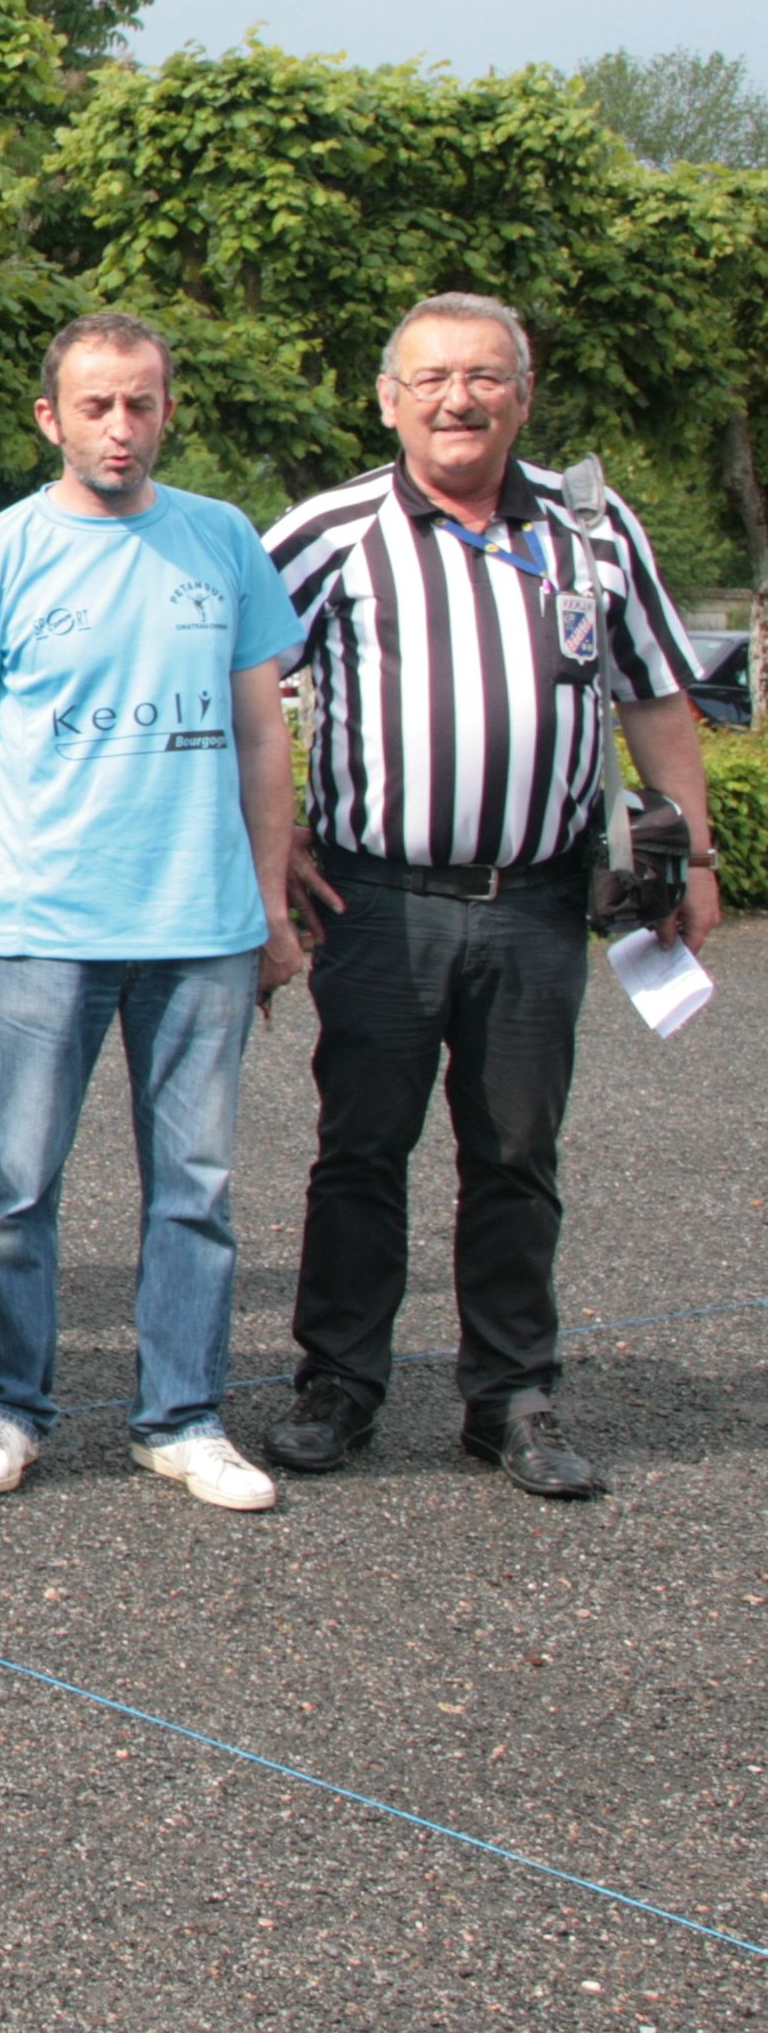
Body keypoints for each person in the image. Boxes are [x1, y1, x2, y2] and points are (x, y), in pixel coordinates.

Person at [260, 292, 722, 1499]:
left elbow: (656, 695)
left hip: (535, 901)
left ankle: (511, 1393)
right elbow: (236, 689)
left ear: (522, 392)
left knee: (516, 1150)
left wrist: (699, 860)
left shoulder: (594, 523)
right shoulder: (329, 530)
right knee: (360, 1148)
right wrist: (274, 843)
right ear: (387, 399)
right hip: (380, 901)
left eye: (482, 377)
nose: (456, 400)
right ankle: (338, 1384)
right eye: (429, 379)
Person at [0, 314, 305, 1512]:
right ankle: (6, 1406)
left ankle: (181, 1416)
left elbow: (258, 735)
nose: (118, 427)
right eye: (94, 405)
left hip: (200, 924)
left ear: (165, 411)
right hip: (40, 925)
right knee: (16, 1188)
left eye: (139, 404)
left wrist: (274, 908)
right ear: (50, 417)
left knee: (194, 1185)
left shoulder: (223, 542)